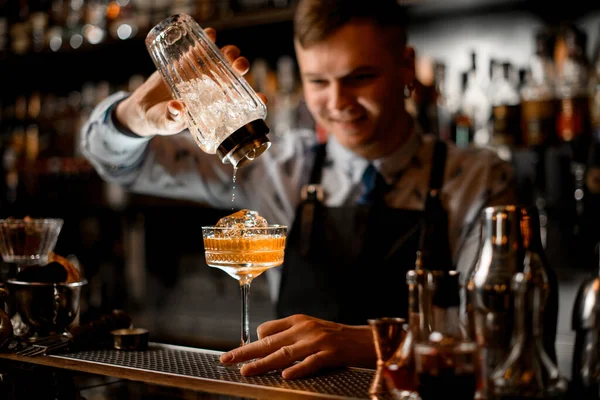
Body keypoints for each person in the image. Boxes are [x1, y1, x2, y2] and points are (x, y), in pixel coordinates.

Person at [80, 0, 516, 380]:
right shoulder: (276, 167)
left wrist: (363, 343)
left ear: (405, 65)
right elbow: (117, 165)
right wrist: (133, 118)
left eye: (360, 77)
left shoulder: (480, 179)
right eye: (318, 82)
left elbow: (502, 332)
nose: (339, 102)